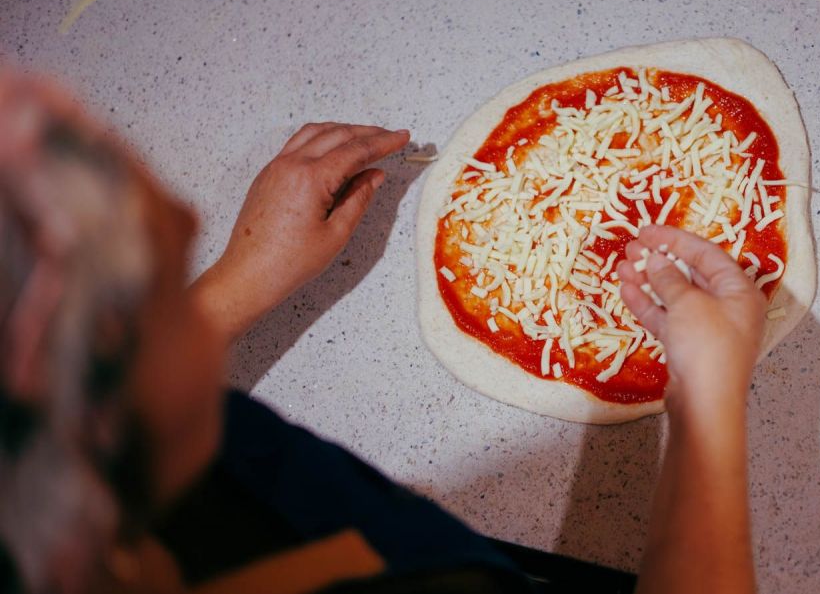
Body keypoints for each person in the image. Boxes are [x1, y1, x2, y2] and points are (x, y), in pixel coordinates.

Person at [0, 71, 765, 594]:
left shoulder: (103, 459)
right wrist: (705, 395)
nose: (191, 217)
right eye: (151, 294)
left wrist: (233, 283)